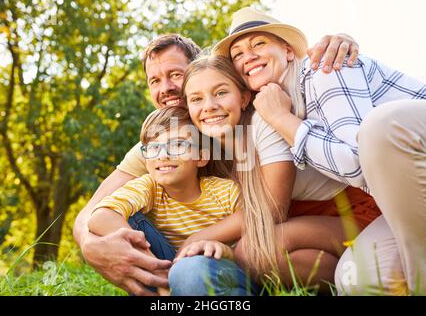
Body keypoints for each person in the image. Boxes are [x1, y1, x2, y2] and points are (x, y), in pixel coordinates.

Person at [73, 33, 361, 296]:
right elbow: (93, 212)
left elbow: (272, 59)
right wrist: (90, 245)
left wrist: (336, 43)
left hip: (310, 221)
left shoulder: (250, 113)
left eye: (176, 74)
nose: (167, 88)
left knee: (252, 256)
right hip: (242, 243)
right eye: (155, 80)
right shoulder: (158, 147)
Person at [212, 6, 426, 295]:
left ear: (288, 51)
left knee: (379, 127)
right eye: (237, 54)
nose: (247, 56)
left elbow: (358, 164)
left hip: (414, 159)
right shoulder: (260, 104)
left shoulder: (324, 68)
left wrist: (281, 119)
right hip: (396, 200)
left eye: (258, 44)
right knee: (358, 281)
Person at [168, 54, 381, 294]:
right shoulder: (205, 150)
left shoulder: (261, 124)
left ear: (244, 98)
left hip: (349, 213)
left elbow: (272, 207)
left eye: (220, 93)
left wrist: (194, 239)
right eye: (196, 99)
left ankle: (360, 278)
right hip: (297, 226)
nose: (209, 106)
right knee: (262, 259)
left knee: (253, 252)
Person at [88, 105, 256, 295]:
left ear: (201, 156)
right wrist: (152, 266)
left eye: (177, 145)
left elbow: (254, 228)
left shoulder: (225, 191)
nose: (163, 155)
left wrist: (224, 251)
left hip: (213, 266)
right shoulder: (149, 186)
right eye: (153, 148)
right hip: (165, 268)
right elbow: (100, 217)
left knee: (191, 273)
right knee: (125, 219)